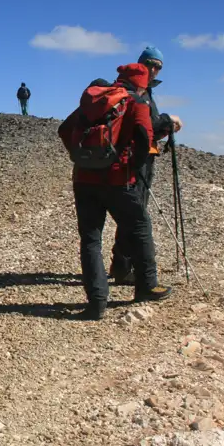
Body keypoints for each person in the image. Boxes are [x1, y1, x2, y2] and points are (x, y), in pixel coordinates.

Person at [58, 63, 173, 320]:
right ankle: (146, 286)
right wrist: (132, 166)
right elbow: (144, 135)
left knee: (91, 239)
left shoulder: (94, 101)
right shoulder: (136, 102)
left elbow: (64, 130)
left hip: (84, 179)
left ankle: (96, 304)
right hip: (118, 179)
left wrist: (82, 158)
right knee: (139, 226)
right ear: (141, 83)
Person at [109, 47, 184, 283]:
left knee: (133, 213)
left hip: (138, 159)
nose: (154, 69)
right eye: (151, 64)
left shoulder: (143, 91)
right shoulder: (136, 93)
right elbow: (145, 125)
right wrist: (167, 120)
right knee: (135, 214)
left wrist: (163, 126)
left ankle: (121, 265)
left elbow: (148, 127)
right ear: (141, 64)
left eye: (158, 66)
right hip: (135, 162)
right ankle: (123, 267)